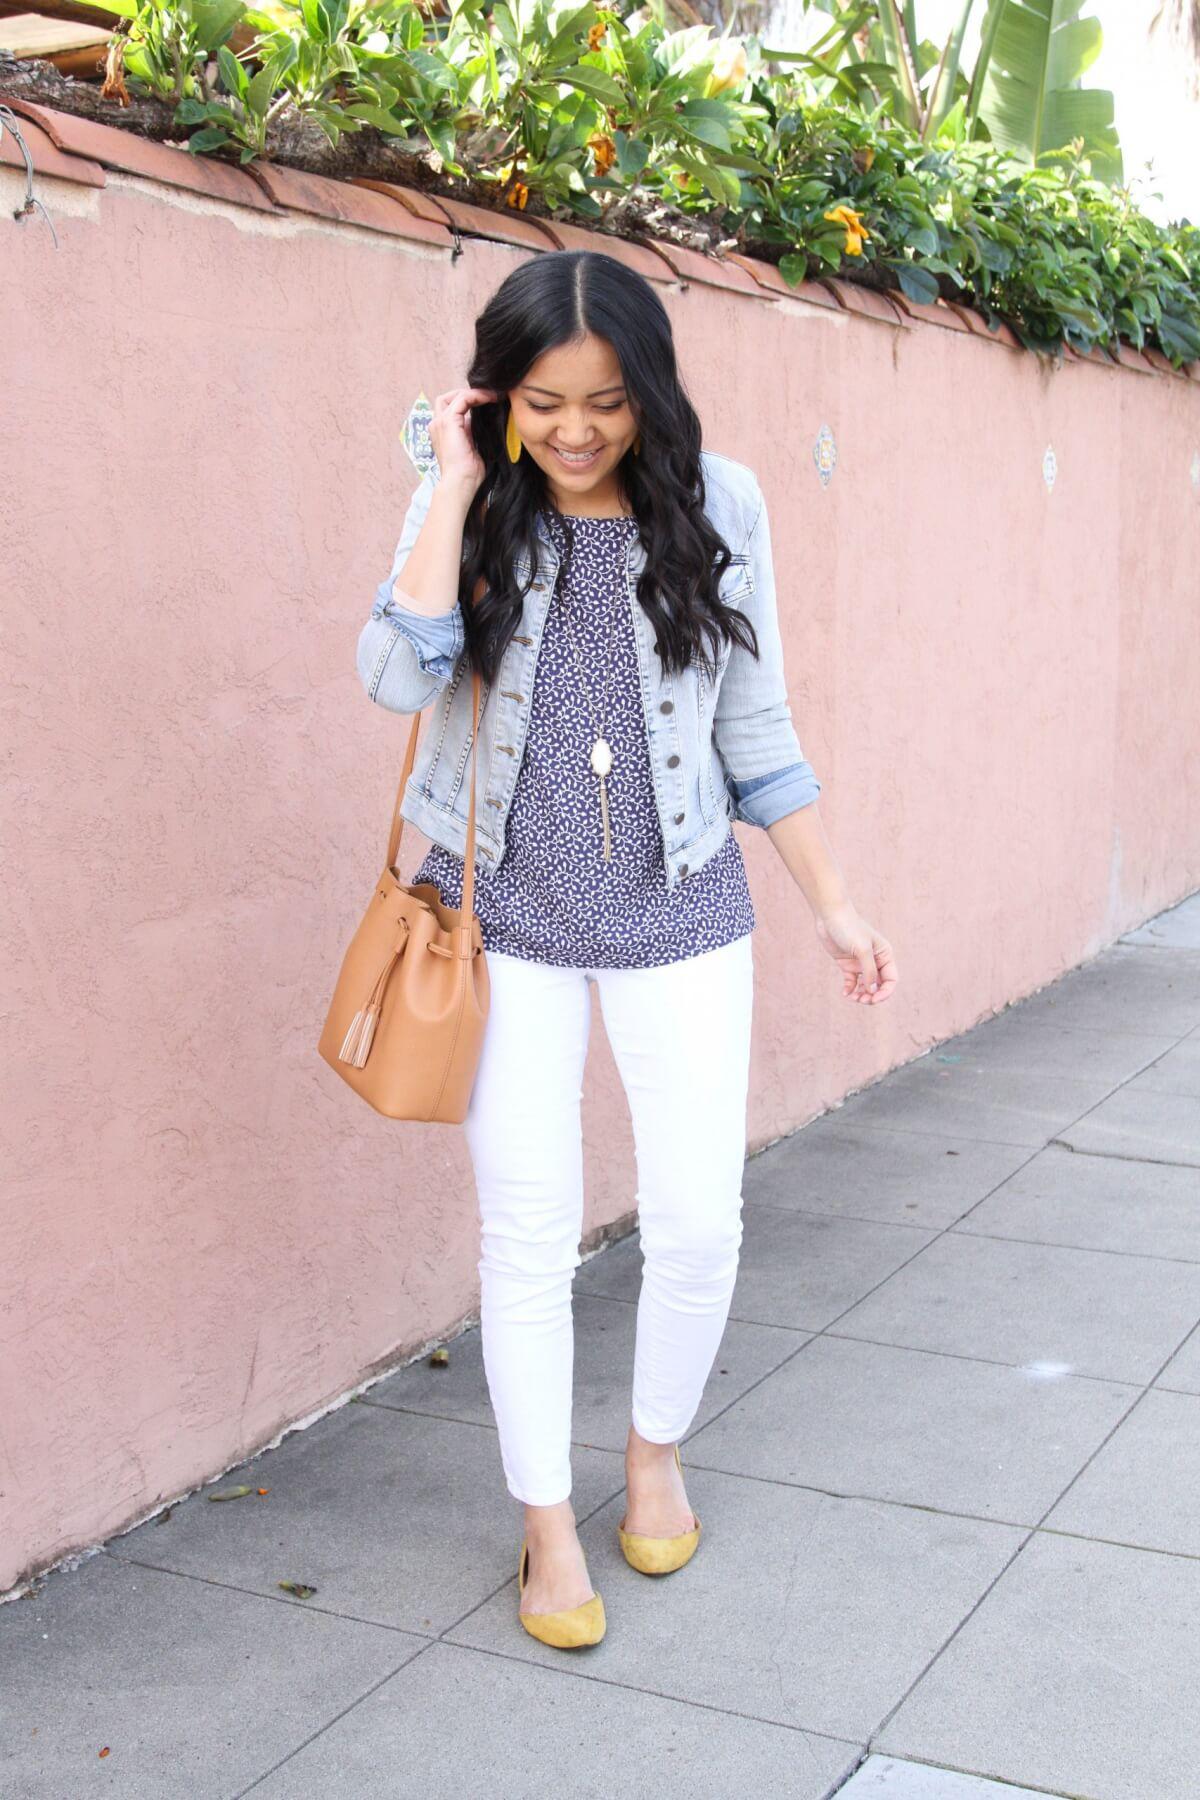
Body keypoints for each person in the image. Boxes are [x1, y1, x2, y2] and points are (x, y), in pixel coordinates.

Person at [356, 249, 897, 1651]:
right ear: (501, 396)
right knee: (527, 1233)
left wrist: (834, 901)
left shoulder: (723, 505)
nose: (579, 432)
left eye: (606, 402)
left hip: (682, 909)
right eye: (544, 404)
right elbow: (391, 675)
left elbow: (755, 727)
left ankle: (654, 1453)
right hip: (512, 923)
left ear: (649, 389)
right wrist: (460, 480)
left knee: (700, 1218)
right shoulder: (475, 495)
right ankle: (545, 1525)